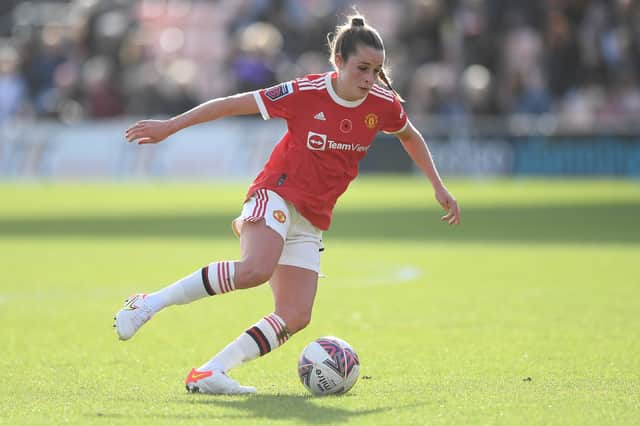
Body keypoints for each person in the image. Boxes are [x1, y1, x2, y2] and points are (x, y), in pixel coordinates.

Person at [115, 14, 460, 395]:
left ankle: (211, 372)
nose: (369, 78)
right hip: (275, 192)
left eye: (377, 70)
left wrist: (437, 185)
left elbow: (409, 135)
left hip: (312, 218)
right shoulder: (304, 92)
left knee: (296, 315)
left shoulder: (383, 104)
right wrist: (170, 126)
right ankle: (147, 303)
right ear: (338, 62)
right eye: (362, 68)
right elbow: (231, 104)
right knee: (254, 270)